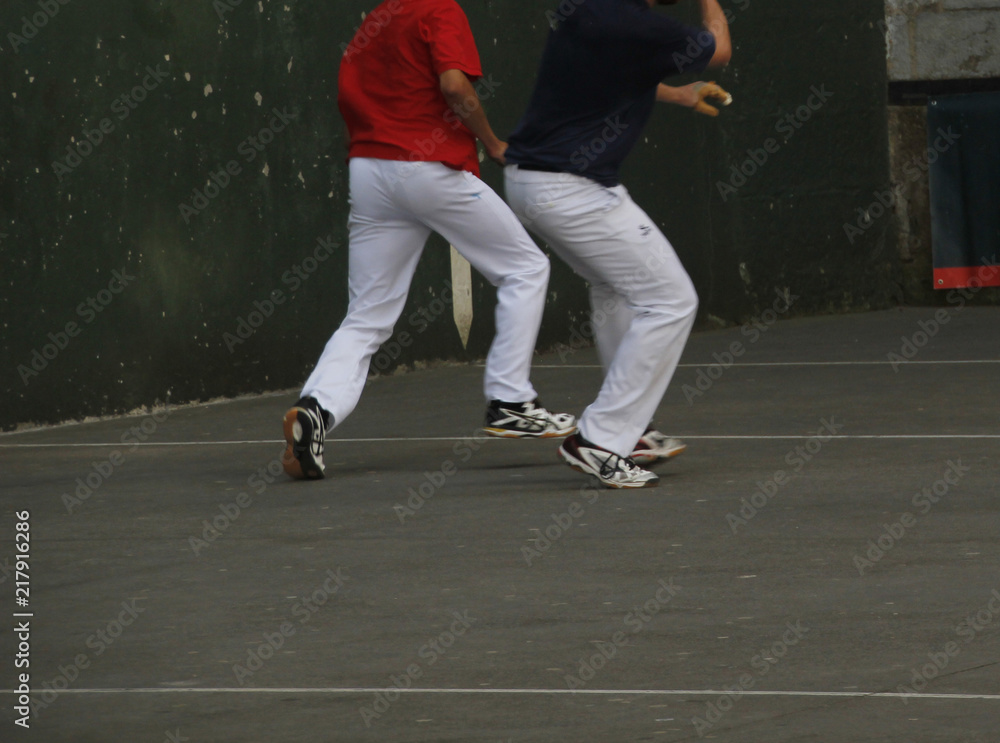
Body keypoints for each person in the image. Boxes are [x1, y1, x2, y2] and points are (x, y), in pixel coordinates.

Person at [281, 0, 577, 480]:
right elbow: (455, 85)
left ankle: (313, 413)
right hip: (426, 166)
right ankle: (510, 399)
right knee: (525, 267)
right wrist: (492, 141)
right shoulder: (439, 9)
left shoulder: (375, 22)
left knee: (366, 317)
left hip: (370, 170)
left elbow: (350, 96)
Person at [503, 0, 732, 488]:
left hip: (532, 181)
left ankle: (630, 430)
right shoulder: (640, 23)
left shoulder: (591, 12)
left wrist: (680, 95)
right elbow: (719, 50)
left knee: (615, 287)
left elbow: (616, 74)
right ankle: (601, 438)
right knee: (671, 301)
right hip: (571, 188)